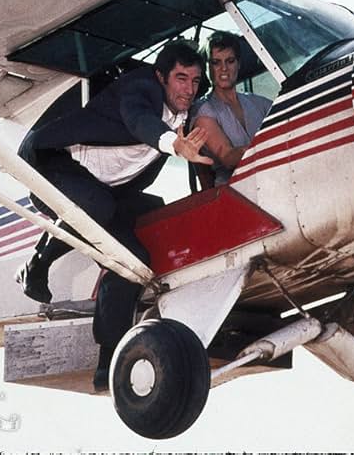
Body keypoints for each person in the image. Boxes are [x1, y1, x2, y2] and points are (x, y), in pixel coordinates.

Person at [15, 41, 212, 391]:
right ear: (161, 77)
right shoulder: (141, 88)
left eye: (196, 81)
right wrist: (173, 145)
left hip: (104, 188)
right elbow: (140, 121)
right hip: (54, 163)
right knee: (97, 207)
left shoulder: (188, 112)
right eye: (181, 78)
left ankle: (109, 358)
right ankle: (37, 263)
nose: (189, 88)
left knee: (134, 263)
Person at [191, 31, 272, 187]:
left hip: (270, 178)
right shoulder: (203, 111)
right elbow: (227, 157)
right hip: (234, 190)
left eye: (230, 61)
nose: (224, 69)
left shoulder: (258, 103)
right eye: (216, 62)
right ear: (206, 68)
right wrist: (270, 144)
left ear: (238, 64)